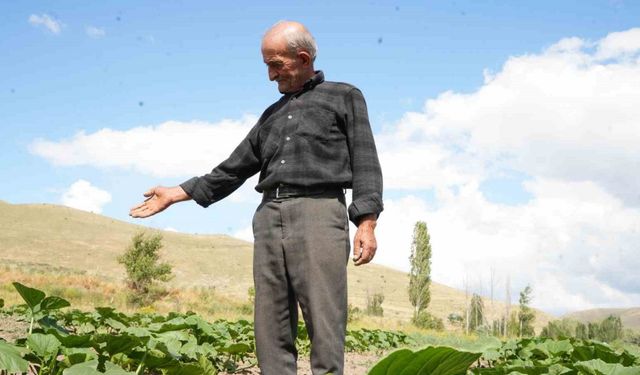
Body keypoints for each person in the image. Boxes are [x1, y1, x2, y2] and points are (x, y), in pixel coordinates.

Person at [129, 20, 383, 375]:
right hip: (268, 216)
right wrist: (175, 193)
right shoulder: (272, 116)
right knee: (270, 319)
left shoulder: (344, 97)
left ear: (303, 57)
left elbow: (365, 159)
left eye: (275, 65)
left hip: (319, 212)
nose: (270, 76)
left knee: (324, 317)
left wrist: (366, 223)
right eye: (267, 65)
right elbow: (233, 168)